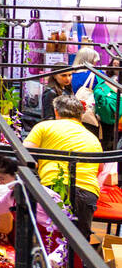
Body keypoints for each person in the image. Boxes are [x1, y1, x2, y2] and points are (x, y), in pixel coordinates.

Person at [26, 95, 103, 235]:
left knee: (46, 239)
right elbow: (99, 169)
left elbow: (25, 154)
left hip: (53, 186)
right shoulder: (93, 138)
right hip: (87, 192)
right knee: (78, 245)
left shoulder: (44, 126)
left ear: (56, 112)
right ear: (81, 115)